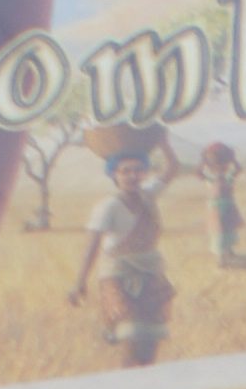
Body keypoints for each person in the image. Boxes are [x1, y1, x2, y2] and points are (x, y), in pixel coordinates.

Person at [74, 145, 174, 364]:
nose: (132, 176)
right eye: (125, 171)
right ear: (114, 175)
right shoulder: (107, 207)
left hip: (150, 273)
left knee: (150, 341)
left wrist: (163, 143)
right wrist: (80, 282)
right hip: (118, 276)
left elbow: (172, 168)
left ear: (145, 173)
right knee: (131, 336)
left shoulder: (148, 196)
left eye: (138, 170)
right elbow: (92, 246)